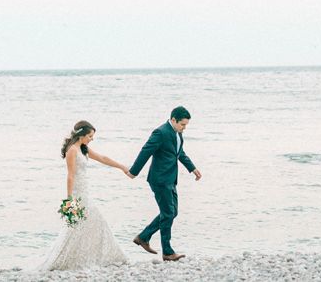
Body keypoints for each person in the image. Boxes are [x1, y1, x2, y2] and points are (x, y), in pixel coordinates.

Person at [37, 120, 129, 271]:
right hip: (78, 194)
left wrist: (122, 167)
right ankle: (65, 260)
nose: (92, 139)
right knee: (86, 224)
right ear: (81, 135)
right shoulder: (72, 150)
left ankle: (88, 258)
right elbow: (70, 176)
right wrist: (69, 200)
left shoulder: (83, 148)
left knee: (84, 226)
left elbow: (103, 158)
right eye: (90, 136)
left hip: (85, 192)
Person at [127, 105, 202, 261]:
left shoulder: (177, 133)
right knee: (168, 213)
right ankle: (167, 252)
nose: (184, 128)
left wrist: (192, 168)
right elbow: (145, 150)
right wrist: (134, 172)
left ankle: (143, 237)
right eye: (182, 124)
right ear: (173, 120)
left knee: (172, 212)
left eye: (186, 125)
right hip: (159, 179)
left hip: (170, 178)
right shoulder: (160, 132)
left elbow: (179, 152)